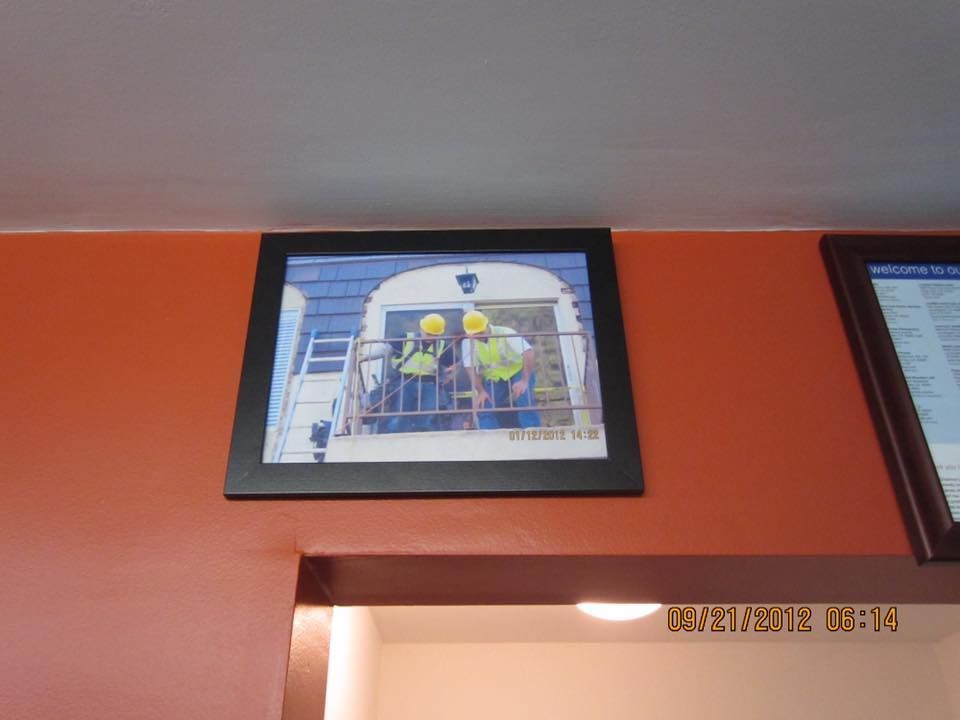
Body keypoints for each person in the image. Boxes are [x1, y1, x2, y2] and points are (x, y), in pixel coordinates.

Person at [460, 310, 541, 429]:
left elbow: (528, 352)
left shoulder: (505, 332)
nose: (479, 336)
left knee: (524, 402)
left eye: (481, 332)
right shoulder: (468, 342)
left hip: (518, 372)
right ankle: (490, 438)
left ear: (487, 325)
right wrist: (481, 391)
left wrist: (524, 381)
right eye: (474, 334)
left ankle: (533, 434)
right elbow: (470, 368)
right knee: (484, 408)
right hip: (496, 377)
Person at [381, 313, 455, 433]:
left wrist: (449, 375)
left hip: (430, 383)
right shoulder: (406, 339)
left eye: (435, 335)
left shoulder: (441, 345)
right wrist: (366, 357)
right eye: (429, 333)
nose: (431, 337)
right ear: (422, 329)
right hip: (404, 381)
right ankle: (395, 439)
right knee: (400, 416)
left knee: (427, 417)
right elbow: (385, 350)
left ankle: (422, 438)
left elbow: (455, 363)